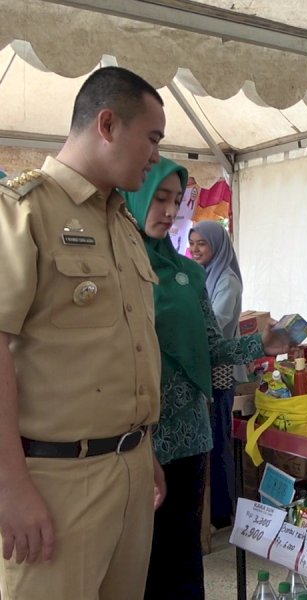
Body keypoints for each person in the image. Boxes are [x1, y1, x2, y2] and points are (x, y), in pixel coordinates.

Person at [0, 66, 166, 599]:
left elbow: (128, 352)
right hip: (54, 482)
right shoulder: (23, 212)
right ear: (109, 124)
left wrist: (145, 452)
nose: (157, 155)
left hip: (132, 469)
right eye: (153, 138)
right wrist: (9, 486)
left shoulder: (122, 224)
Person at [123, 158, 289, 600]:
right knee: (136, 557)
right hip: (135, 435)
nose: (169, 211)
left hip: (190, 431)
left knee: (180, 556)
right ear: (134, 195)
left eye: (176, 202)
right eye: (159, 198)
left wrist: (262, 345)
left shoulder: (188, 275)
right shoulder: (117, 268)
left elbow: (214, 345)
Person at [189, 220, 245, 529]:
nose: (196, 249)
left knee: (218, 439)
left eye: (202, 244)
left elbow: (219, 323)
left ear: (218, 246)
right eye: (193, 243)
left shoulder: (227, 280)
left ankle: (222, 513)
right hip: (203, 369)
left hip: (220, 370)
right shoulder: (198, 277)